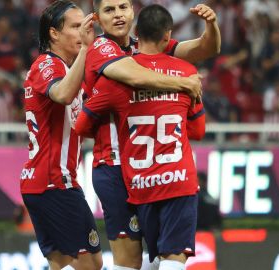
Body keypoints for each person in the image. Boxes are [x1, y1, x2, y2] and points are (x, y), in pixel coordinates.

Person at [84, 0, 220, 268]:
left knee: (158, 257)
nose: (119, 14)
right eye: (109, 10)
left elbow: (205, 48)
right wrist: (183, 82)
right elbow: (135, 76)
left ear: (133, 10)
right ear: (98, 18)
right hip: (115, 165)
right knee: (129, 261)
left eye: (123, 7)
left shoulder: (142, 44)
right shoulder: (100, 49)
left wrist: (211, 25)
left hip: (147, 168)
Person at [19, 1, 102, 269]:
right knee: (91, 265)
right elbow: (63, 95)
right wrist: (88, 49)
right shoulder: (48, 64)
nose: (82, 33)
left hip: (46, 183)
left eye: (84, 26)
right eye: (76, 27)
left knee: (62, 263)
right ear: (54, 33)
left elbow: (75, 124)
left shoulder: (67, 69)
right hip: (54, 182)